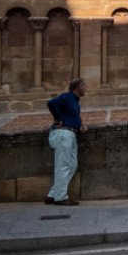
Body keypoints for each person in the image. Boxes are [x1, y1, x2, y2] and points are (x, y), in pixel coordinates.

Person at [46, 78, 87, 206]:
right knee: (63, 165)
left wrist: (80, 125)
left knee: (72, 165)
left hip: (71, 133)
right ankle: (61, 197)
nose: (86, 88)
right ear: (77, 87)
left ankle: (53, 195)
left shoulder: (74, 101)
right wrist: (58, 119)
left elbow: (71, 116)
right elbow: (51, 103)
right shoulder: (67, 96)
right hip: (63, 134)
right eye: (84, 86)